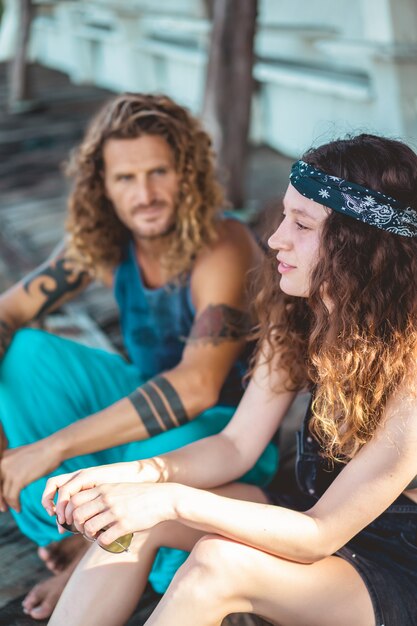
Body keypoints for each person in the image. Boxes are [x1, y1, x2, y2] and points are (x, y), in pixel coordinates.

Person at [43, 133, 417, 626]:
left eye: (302, 223)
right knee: (133, 521)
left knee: (216, 564)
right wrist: (121, 480)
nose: (276, 238)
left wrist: (168, 496)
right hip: (301, 506)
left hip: (389, 564)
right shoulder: (304, 314)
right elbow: (235, 446)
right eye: (285, 215)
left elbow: (319, 535)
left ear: (364, 247)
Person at [0, 93, 277, 620]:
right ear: (101, 186)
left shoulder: (222, 244)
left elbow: (197, 387)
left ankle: (95, 546)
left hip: (219, 433)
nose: (145, 194)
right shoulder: (101, 242)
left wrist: (51, 448)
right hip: (138, 408)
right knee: (23, 354)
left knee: (85, 469)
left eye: (159, 172)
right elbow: (7, 312)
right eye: (125, 178)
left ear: (187, 174)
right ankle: (96, 527)